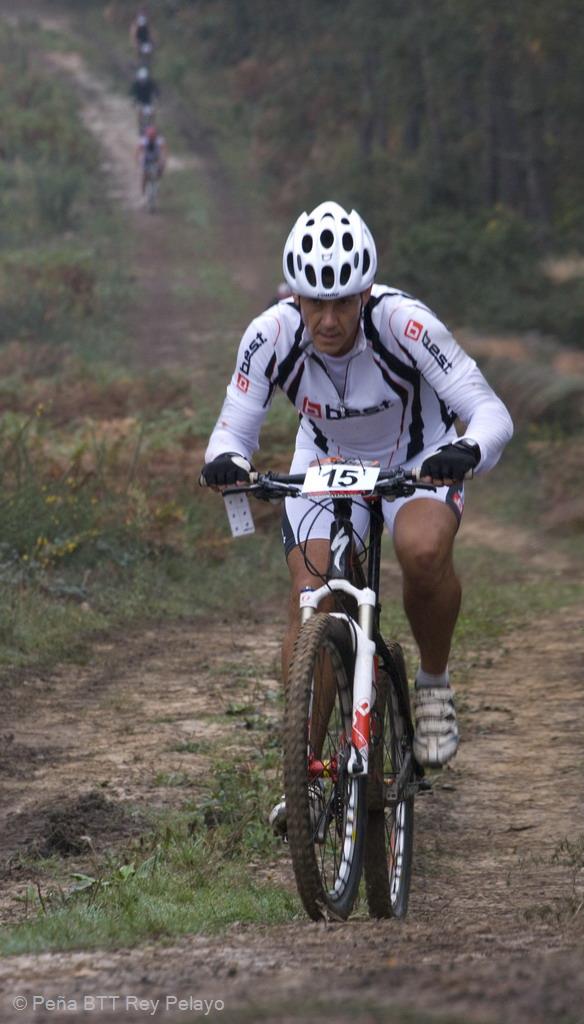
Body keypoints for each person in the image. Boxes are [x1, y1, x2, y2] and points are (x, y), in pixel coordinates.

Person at [201, 200, 513, 783]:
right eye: (314, 302)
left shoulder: (406, 324)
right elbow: (231, 432)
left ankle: (434, 685)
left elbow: (489, 411)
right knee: (312, 598)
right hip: (324, 461)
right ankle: (303, 777)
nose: (328, 319)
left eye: (343, 301)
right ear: (294, 296)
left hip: (416, 460)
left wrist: (467, 450)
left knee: (422, 552)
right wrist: (226, 462)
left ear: (366, 293)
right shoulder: (270, 334)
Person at [136, 125, 167, 199]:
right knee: (144, 176)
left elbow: (164, 151)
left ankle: (157, 183)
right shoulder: (143, 141)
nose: (151, 137)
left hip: (156, 159)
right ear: (147, 135)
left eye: (153, 135)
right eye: (150, 135)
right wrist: (137, 161)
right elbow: (138, 151)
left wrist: (163, 160)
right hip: (147, 160)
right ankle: (143, 193)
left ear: (155, 135)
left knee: (160, 170)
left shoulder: (159, 140)